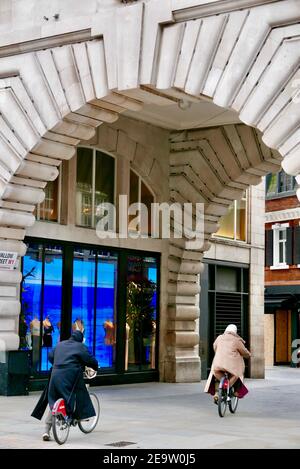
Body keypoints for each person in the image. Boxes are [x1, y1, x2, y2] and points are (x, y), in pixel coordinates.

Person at [31, 330, 98, 441]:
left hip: (55, 375)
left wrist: (58, 363)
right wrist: (95, 367)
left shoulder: (60, 344)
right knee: (77, 393)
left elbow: (50, 356)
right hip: (70, 376)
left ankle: (46, 431)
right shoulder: (80, 346)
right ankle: (73, 416)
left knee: (55, 402)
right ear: (80, 339)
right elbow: (90, 360)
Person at [204, 324, 251, 403]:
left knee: (216, 376)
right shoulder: (236, 340)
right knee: (236, 375)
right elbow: (244, 351)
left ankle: (216, 393)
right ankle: (231, 389)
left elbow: (214, 346)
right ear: (235, 332)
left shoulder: (219, 338)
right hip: (231, 366)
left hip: (218, 364)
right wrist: (248, 355)